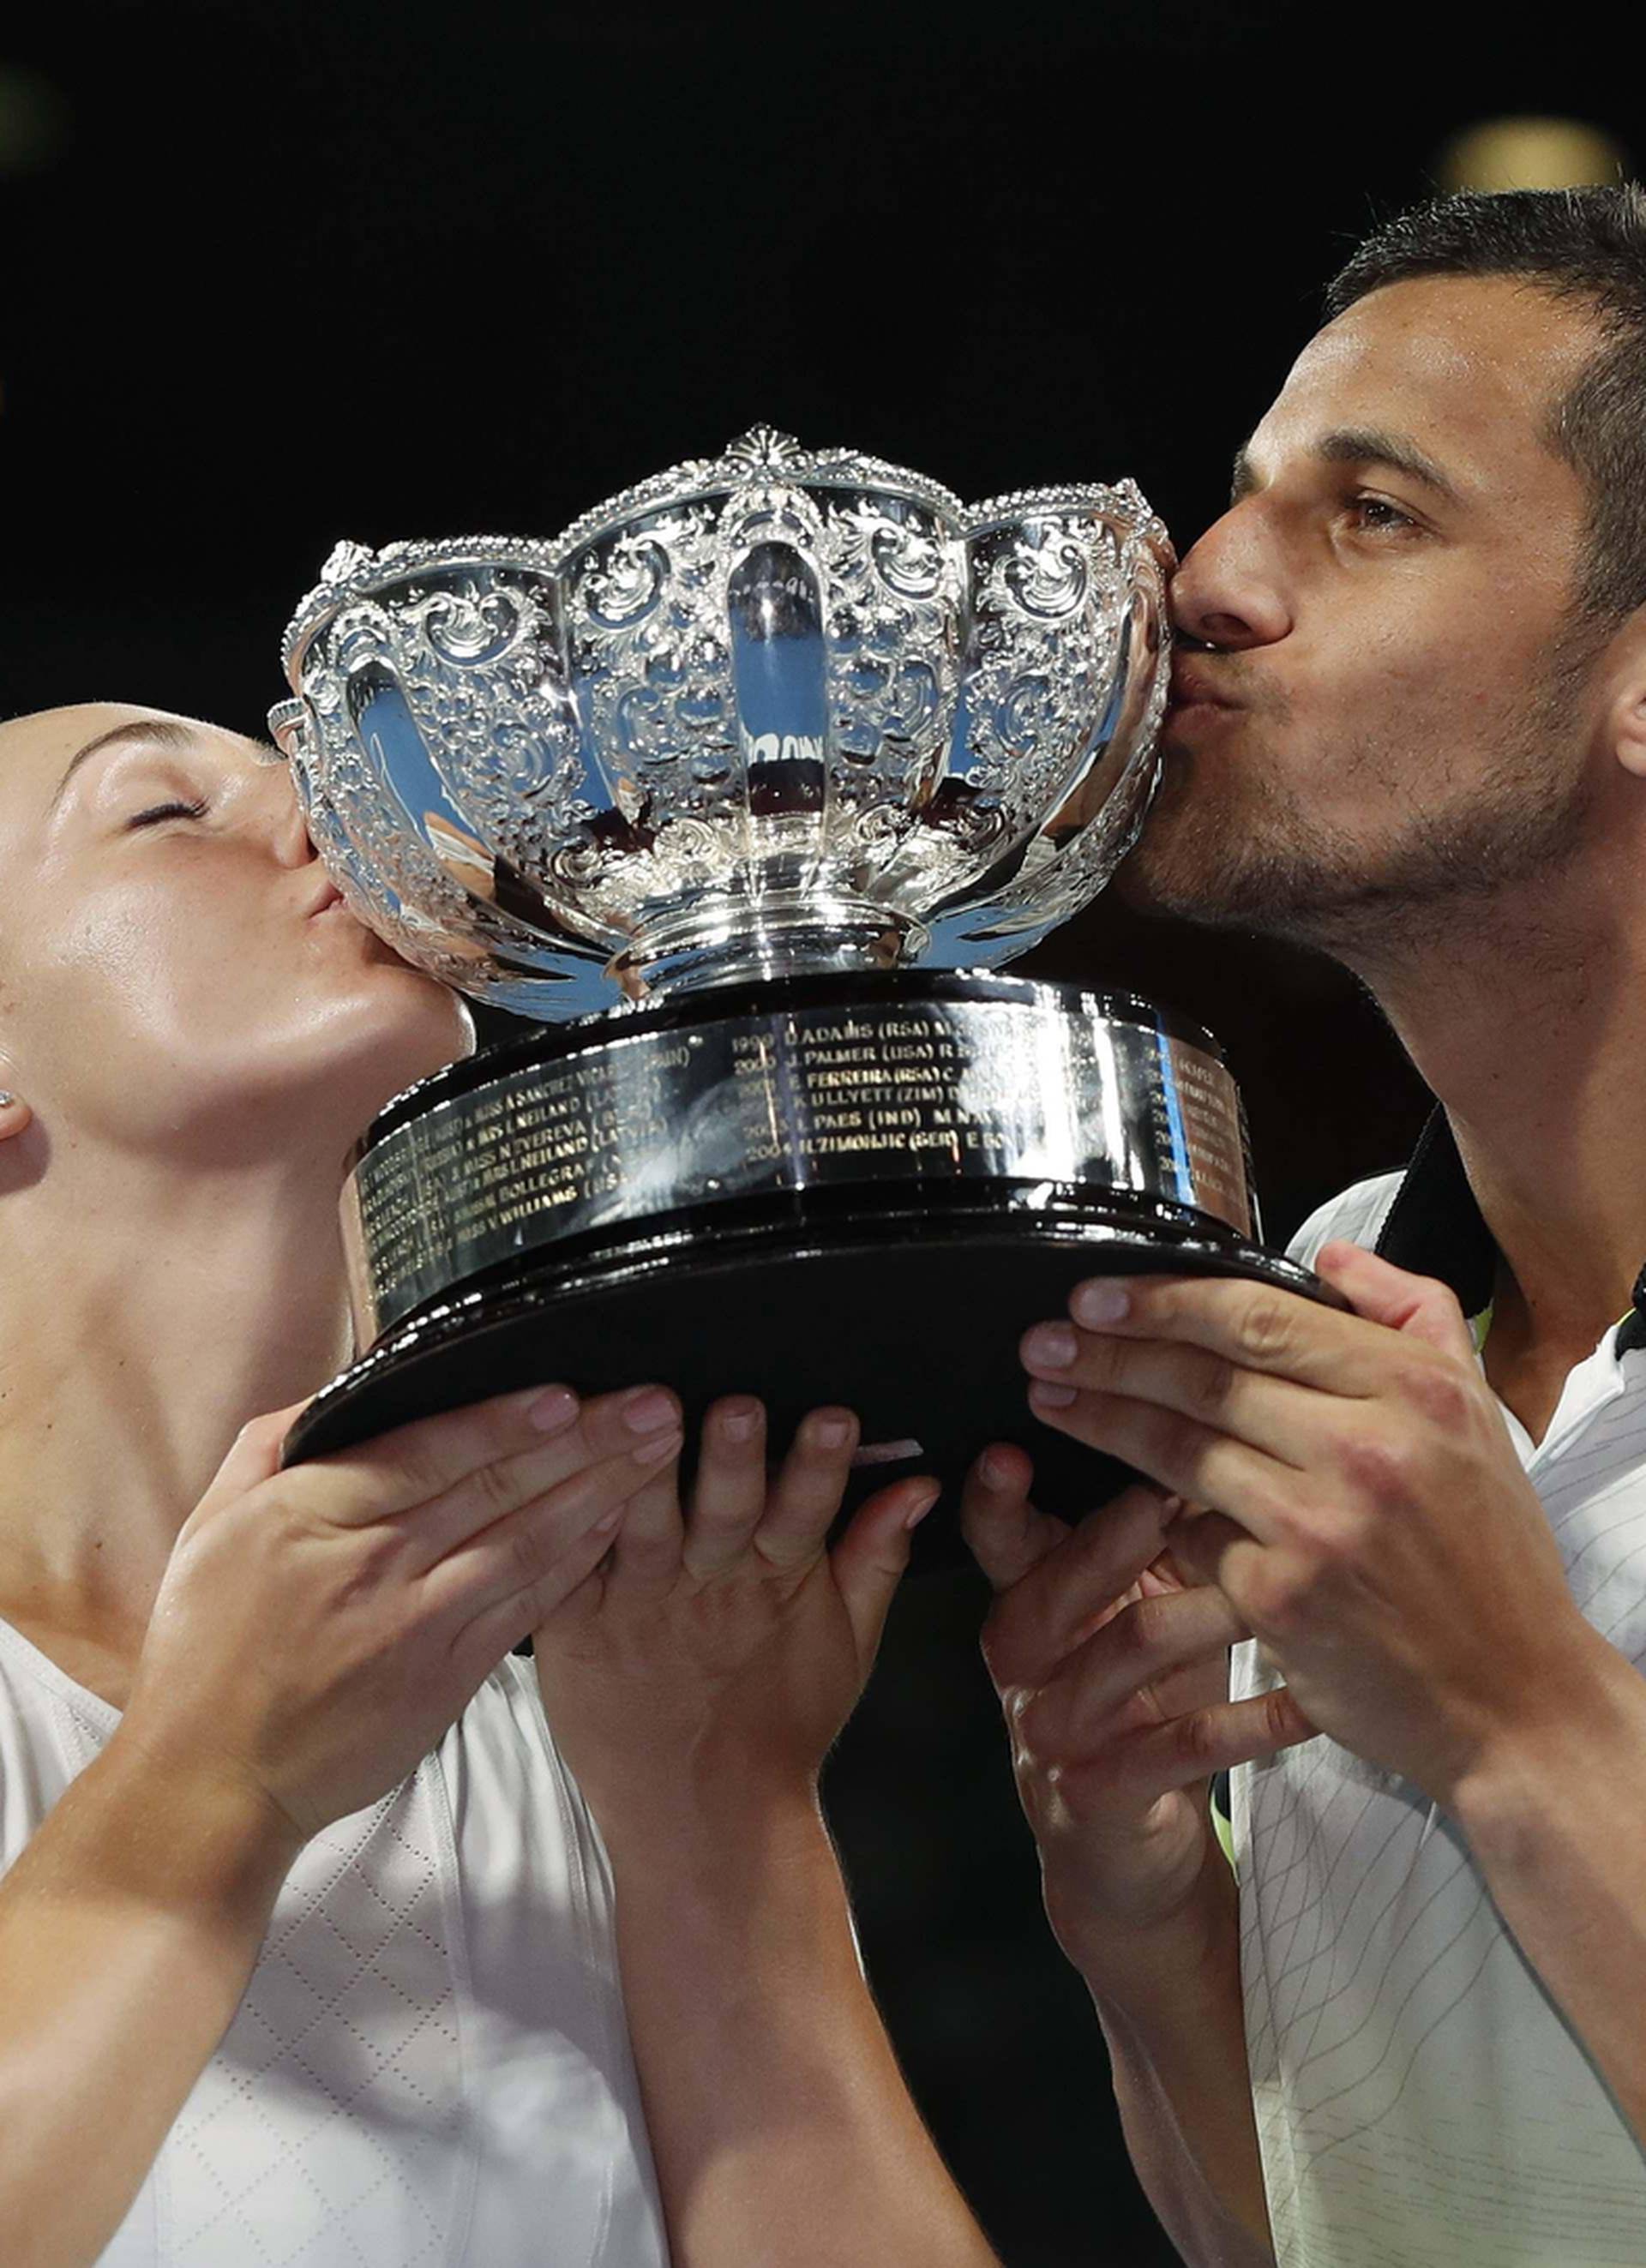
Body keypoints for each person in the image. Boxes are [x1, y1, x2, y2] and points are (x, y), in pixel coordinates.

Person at [0, 702, 1001, 2268]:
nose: (336, 825)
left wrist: (721, 1817)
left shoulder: (592, 1734)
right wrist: (218, 1778)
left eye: (323, 786)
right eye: (163, 810)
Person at [958, 182, 1646, 2267]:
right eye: (1241, 496)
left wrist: (1522, 1721)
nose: (1210, 583)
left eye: (1374, 514)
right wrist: (1151, 1913)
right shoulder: (1335, 1294)